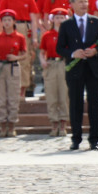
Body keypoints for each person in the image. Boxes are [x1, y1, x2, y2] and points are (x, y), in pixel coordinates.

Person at [57, 0, 98, 150]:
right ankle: (76, 139)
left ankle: (94, 140)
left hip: (93, 69)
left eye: (85, 1)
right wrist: (73, 53)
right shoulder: (66, 24)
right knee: (75, 104)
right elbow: (59, 48)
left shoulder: (97, 22)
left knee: (94, 105)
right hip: (75, 70)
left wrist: (95, 51)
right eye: (80, 1)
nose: (84, 4)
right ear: (72, 4)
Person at [0, 10, 27, 137]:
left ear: (14, 21)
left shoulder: (20, 37)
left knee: (13, 98)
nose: (7, 22)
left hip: (13, 67)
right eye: (4, 20)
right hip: (0, 67)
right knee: (1, 98)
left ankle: (11, 126)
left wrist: (16, 57)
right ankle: (2, 126)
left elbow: (25, 54)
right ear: (1, 22)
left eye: (9, 20)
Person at [40, 8, 70, 138]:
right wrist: (42, 61)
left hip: (64, 64)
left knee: (64, 95)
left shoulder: (69, 34)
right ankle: (54, 123)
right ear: (53, 19)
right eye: (57, 18)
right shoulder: (47, 35)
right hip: (51, 64)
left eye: (62, 17)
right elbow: (42, 51)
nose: (59, 20)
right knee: (51, 95)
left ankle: (63, 123)